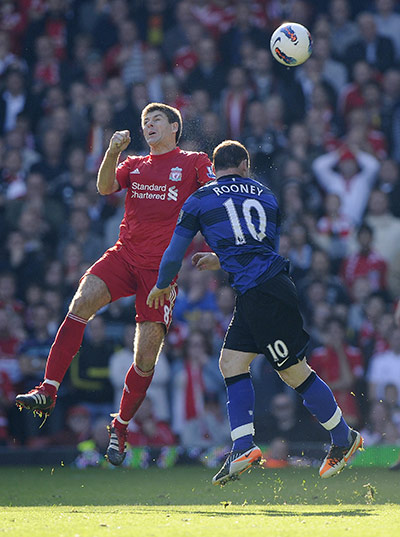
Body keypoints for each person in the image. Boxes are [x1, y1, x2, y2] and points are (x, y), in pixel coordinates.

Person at [147, 140, 363, 485]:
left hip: (263, 294)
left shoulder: (201, 198)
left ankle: (342, 437)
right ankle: (243, 446)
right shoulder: (267, 195)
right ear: (244, 166)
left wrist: (160, 285)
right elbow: (260, 248)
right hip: (262, 289)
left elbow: (175, 254)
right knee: (231, 362)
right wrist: (222, 259)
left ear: (214, 167)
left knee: (293, 372)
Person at [15, 102, 214, 465]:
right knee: (80, 301)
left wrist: (218, 246)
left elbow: (215, 197)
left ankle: (120, 426)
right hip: (124, 255)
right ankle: (48, 388)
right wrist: (111, 151)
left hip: (160, 271)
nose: (148, 125)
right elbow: (105, 187)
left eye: (156, 120)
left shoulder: (194, 161)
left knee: (145, 354)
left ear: (174, 127)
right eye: (144, 121)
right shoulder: (135, 164)